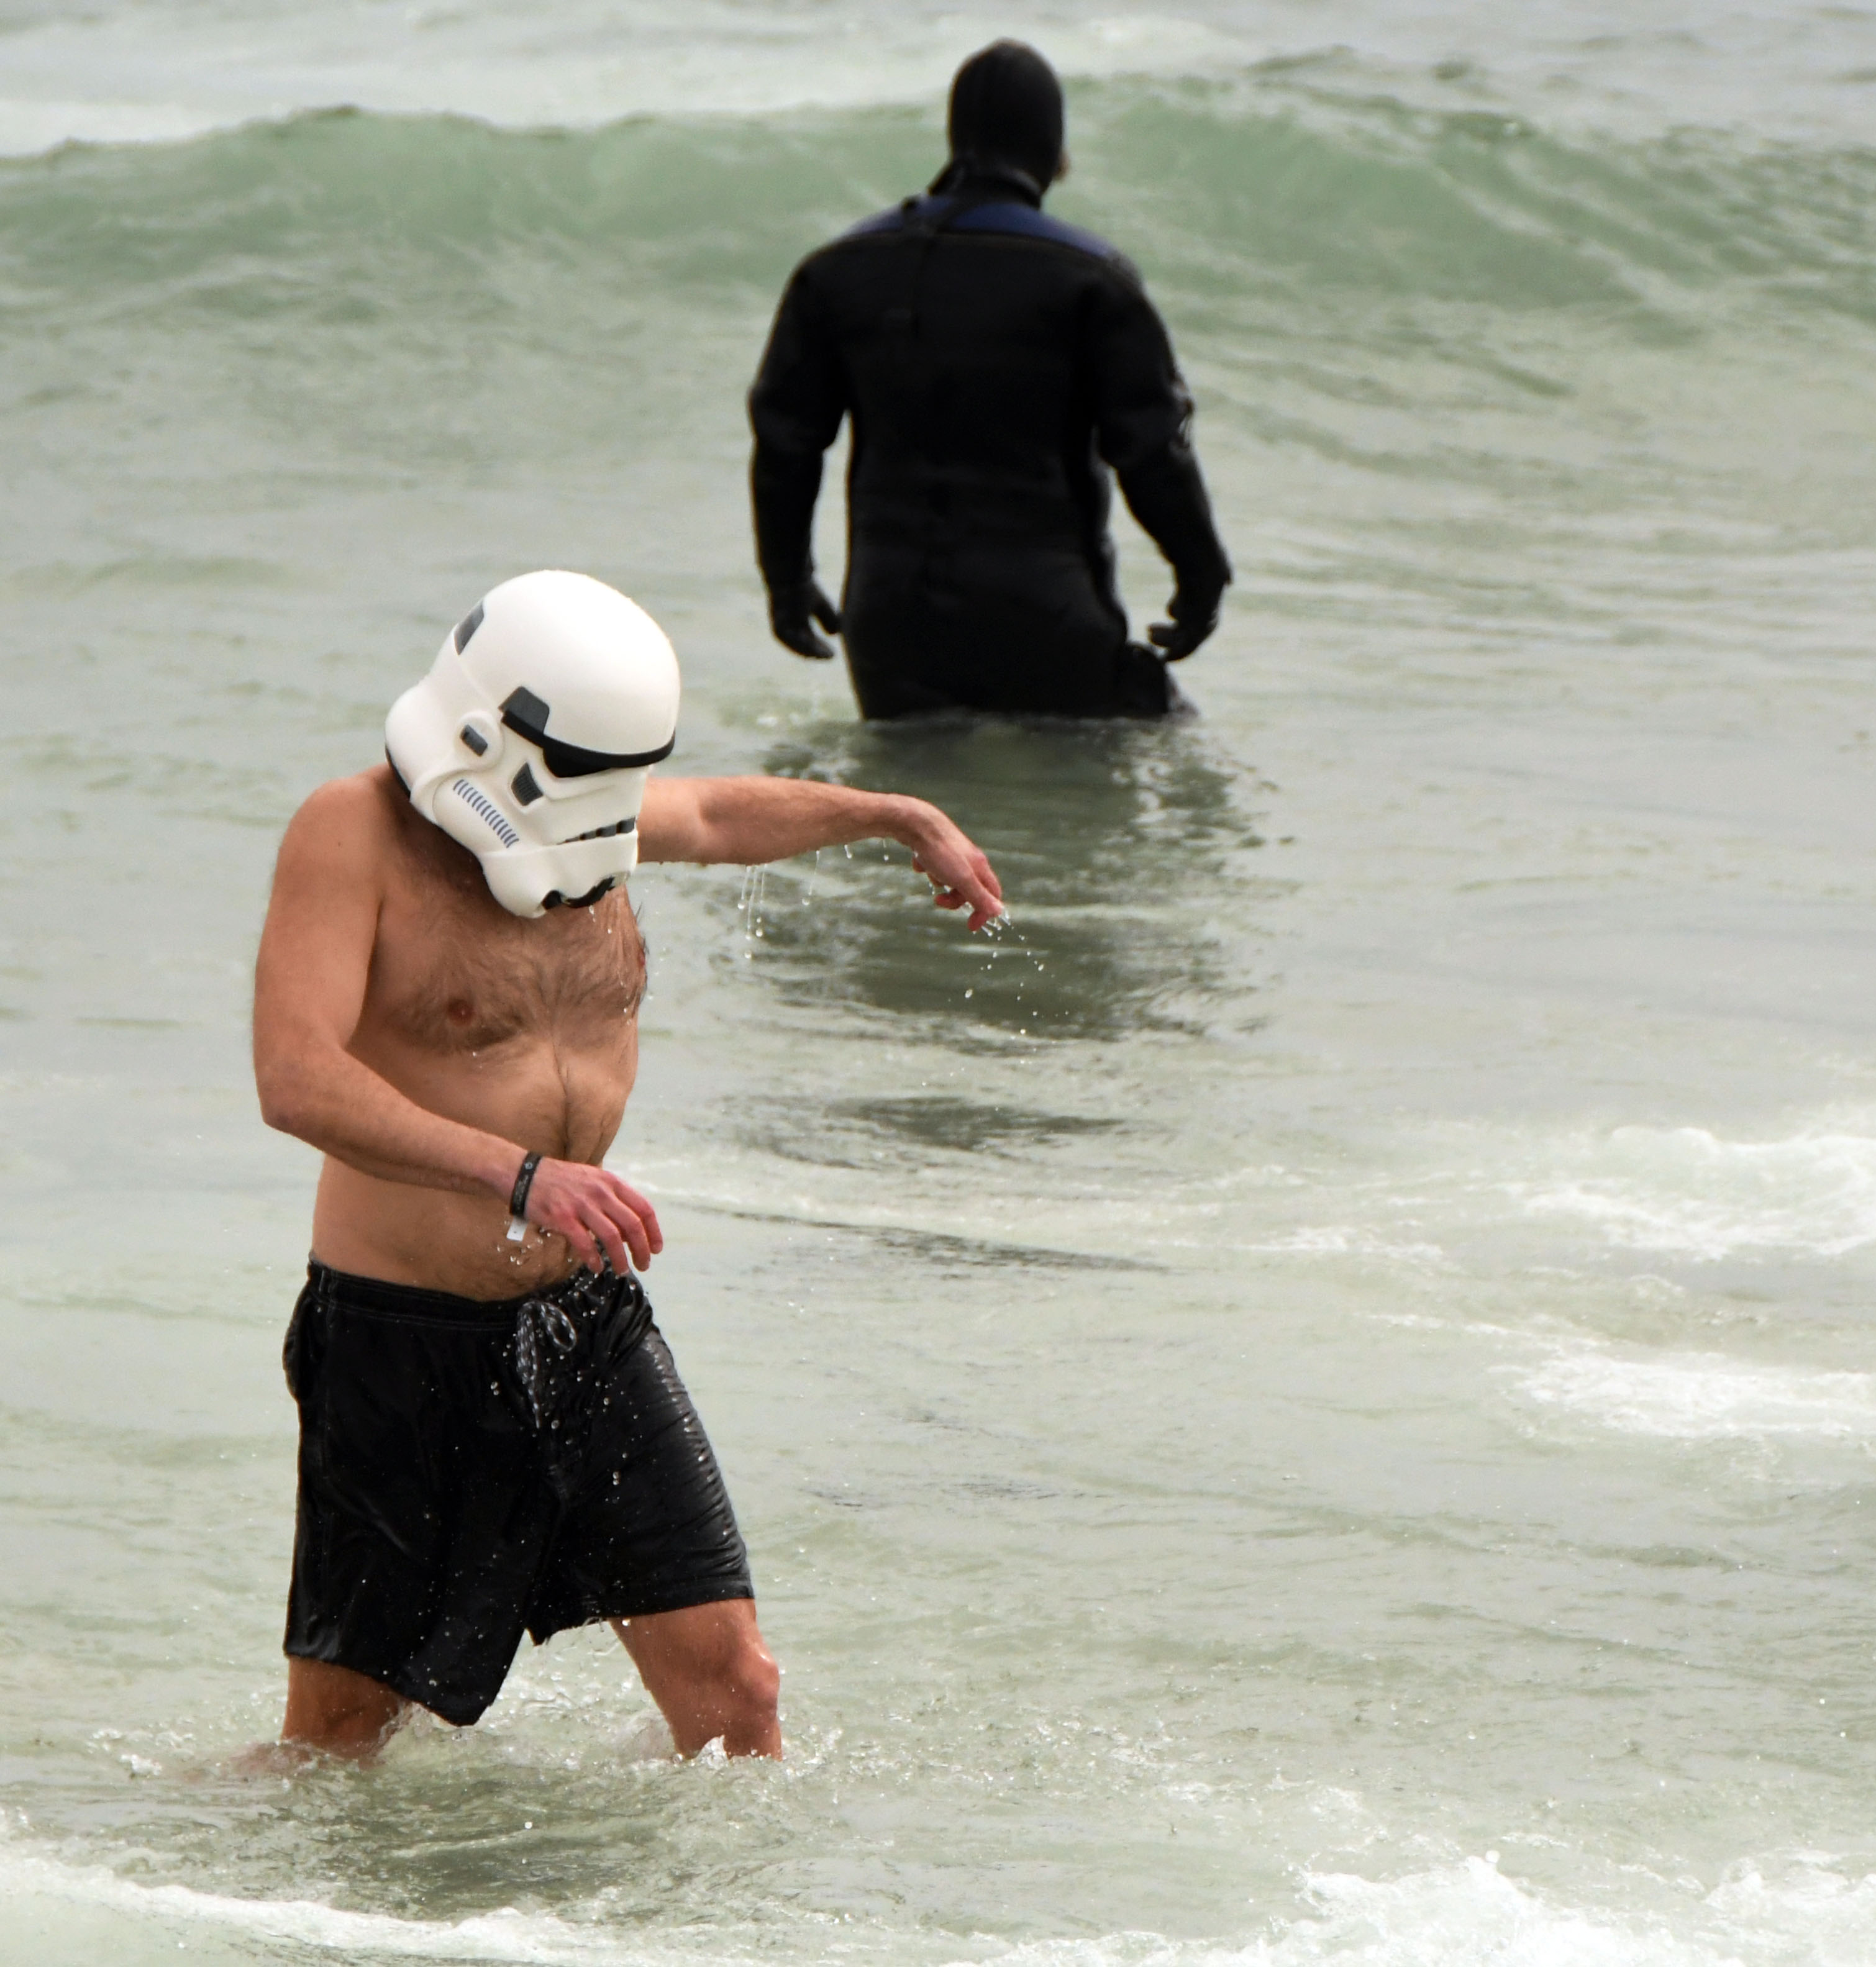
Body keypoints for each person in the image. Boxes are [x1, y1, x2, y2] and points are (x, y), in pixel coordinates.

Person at [253, 569, 1005, 1758]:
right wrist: (518, 1174)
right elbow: (296, 1076)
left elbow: (712, 816)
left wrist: (896, 816)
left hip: (582, 1316)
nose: (612, 805)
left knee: (737, 1692)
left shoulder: (586, 812)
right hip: (400, 1342)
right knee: (344, 1737)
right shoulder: (351, 833)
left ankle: (720, 1932)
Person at [746, 39, 1231, 720]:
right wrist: (1201, 575)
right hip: (1046, 614)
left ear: (955, 136)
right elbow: (1151, 450)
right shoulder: (1090, 279)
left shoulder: (836, 271)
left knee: (912, 813)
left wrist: (788, 581)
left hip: (890, 617)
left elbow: (785, 443)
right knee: (1123, 779)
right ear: (1054, 150)